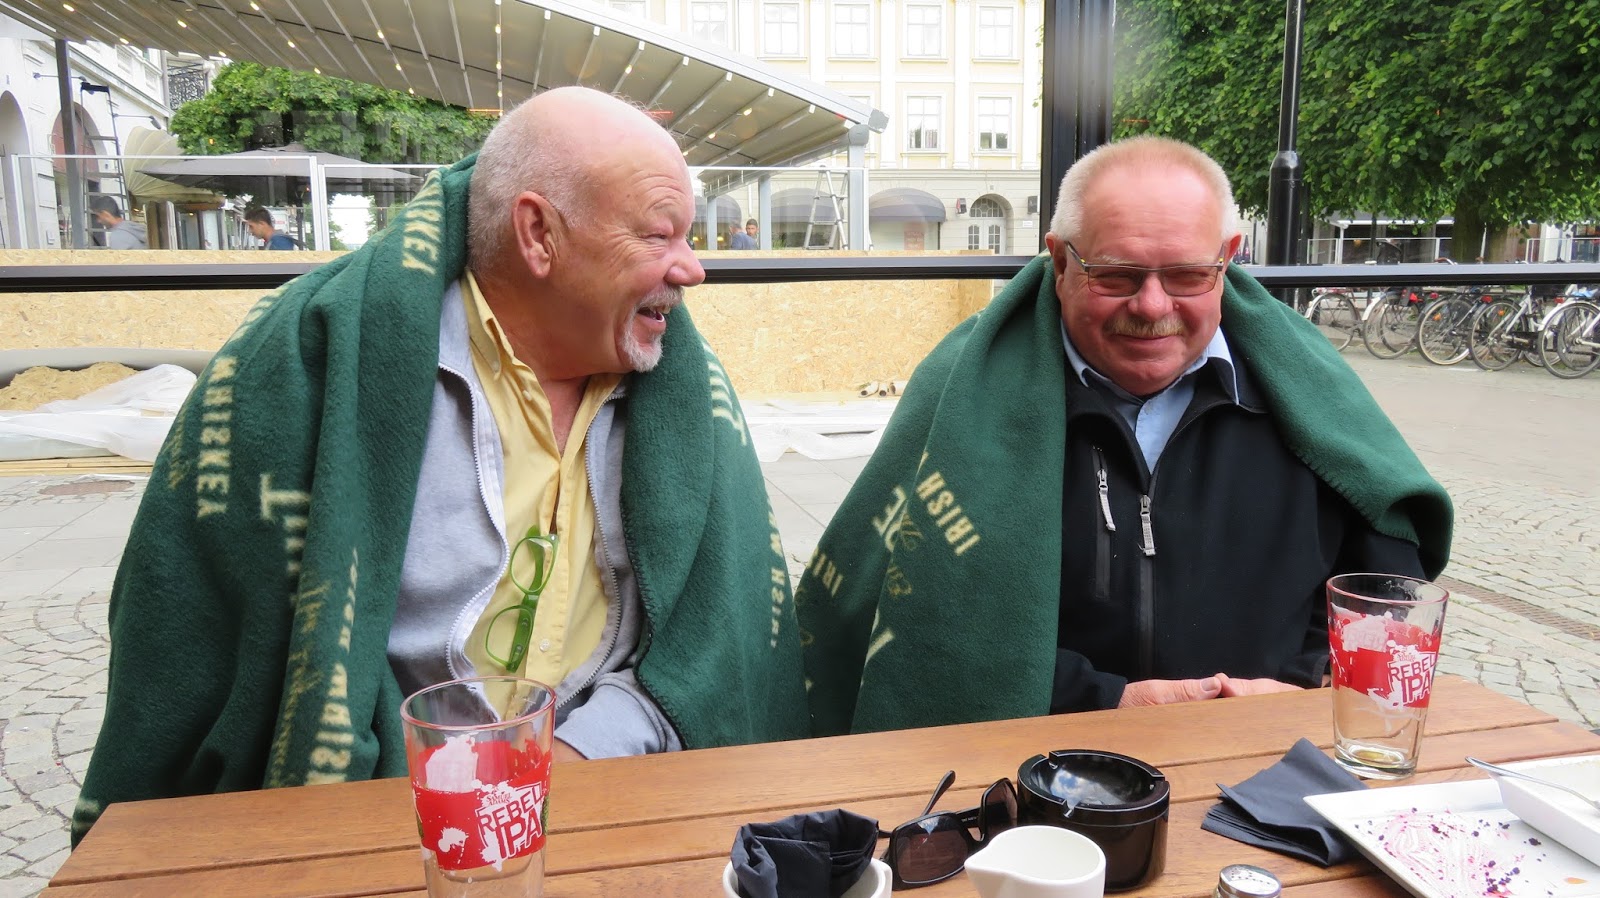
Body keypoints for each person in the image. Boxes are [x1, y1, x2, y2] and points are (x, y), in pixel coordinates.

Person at [73, 86, 809, 845]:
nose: (691, 271)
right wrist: (438, 783)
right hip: (374, 809)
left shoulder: (681, 389)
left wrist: (579, 749)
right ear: (538, 235)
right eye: (660, 237)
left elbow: (708, 646)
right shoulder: (311, 365)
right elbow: (193, 644)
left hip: (615, 788)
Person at [795, 136, 1452, 736]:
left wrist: (1304, 686)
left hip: (1267, 752)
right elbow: (912, 620)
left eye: (1189, 276)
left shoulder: (1310, 395)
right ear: (1058, 260)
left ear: (1228, 260)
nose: (1154, 306)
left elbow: (1386, 590)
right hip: (1039, 763)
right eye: (1117, 275)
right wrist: (1105, 701)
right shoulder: (961, 392)